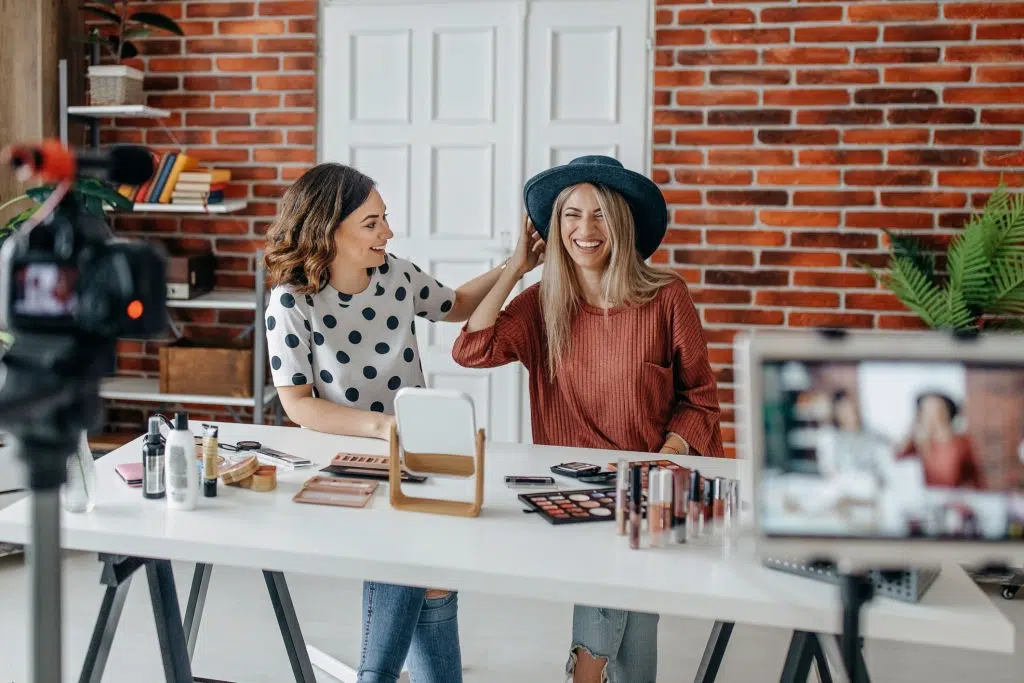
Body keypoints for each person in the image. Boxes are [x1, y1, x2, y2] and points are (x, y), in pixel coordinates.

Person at [262, 162, 543, 683]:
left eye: (383, 219)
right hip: (342, 459)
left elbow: (456, 305)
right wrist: (380, 428)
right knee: (410, 559)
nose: (387, 232)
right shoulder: (290, 301)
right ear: (329, 228)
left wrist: (516, 265)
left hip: (411, 451)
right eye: (372, 223)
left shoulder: (395, 275)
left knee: (434, 573)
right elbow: (298, 405)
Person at [451, 155, 724, 683]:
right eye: (571, 215)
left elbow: (701, 399)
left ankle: (585, 673)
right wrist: (514, 267)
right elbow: (472, 348)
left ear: (621, 223)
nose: (584, 229)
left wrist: (665, 459)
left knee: (634, 599)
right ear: (555, 228)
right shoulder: (542, 303)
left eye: (599, 214)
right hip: (572, 485)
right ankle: (586, 673)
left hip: (651, 484)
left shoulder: (667, 297)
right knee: (624, 587)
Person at [896, 391, 984, 489]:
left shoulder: (962, 443)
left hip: (958, 499)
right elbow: (897, 459)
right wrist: (913, 428)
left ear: (946, 412)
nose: (929, 416)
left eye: (934, 410)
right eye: (925, 410)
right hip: (928, 500)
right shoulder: (919, 442)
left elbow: (959, 479)